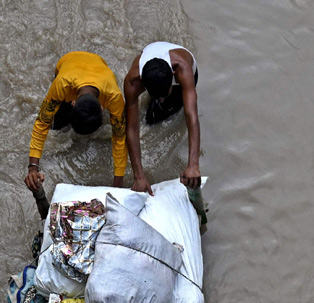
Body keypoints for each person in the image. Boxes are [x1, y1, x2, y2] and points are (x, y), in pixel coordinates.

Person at [25, 51, 127, 194]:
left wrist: (118, 182)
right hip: (67, 62)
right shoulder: (62, 85)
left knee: (115, 125)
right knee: (57, 126)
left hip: (100, 64)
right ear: (72, 103)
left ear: (102, 107)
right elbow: (42, 123)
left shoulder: (114, 96)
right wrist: (33, 167)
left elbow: (119, 137)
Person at [123, 41, 200, 194]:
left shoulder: (182, 69)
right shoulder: (132, 81)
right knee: (150, 119)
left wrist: (193, 164)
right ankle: (158, 96)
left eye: (163, 94)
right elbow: (131, 128)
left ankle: (165, 96)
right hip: (153, 68)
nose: (162, 99)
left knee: (170, 110)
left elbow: (192, 117)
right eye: (157, 95)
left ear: (173, 77)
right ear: (143, 84)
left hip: (182, 72)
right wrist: (138, 176)